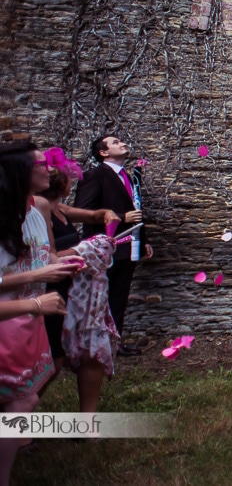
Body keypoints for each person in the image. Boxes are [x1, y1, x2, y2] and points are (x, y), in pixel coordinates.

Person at [0, 142, 84, 485]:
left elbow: (42, 255)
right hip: (8, 322)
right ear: (19, 172)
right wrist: (38, 291)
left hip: (26, 325)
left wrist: (68, 261)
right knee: (21, 403)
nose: (49, 168)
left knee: (25, 399)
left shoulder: (36, 211)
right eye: (39, 164)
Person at [34, 147, 120, 413]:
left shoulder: (60, 209)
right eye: (70, 176)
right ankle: (18, 420)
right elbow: (45, 257)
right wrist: (86, 248)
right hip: (55, 289)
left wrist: (107, 215)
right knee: (53, 362)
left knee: (91, 355)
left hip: (76, 289)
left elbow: (94, 215)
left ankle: (86, 423)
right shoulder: (41, 208)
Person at [74, 135, 152, 356]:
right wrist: (120, 216)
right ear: (103, 153)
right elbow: (83, 212)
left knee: (119, 297)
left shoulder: (126, 177)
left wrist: (143, 240)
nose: (123, 143)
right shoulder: (94, 176)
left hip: (128, 248)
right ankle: (91, 346)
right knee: (100, 299)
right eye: (115, 142)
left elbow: (135, 211)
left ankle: (113, 344)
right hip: (105, 250)